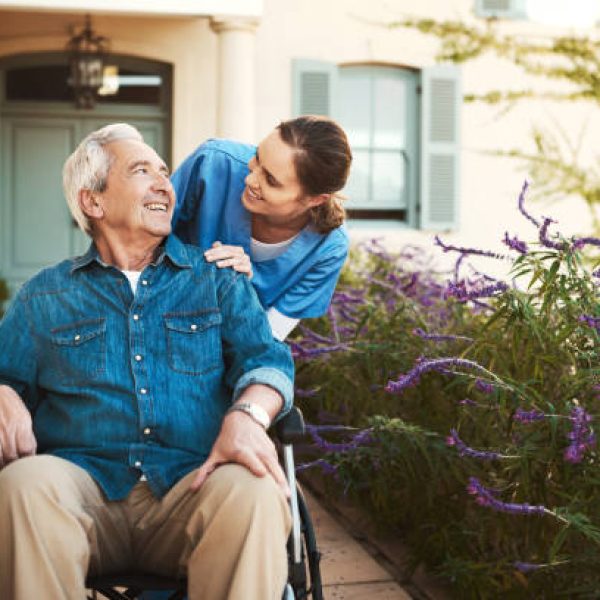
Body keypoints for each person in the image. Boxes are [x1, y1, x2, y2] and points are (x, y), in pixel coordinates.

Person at [0, 123, 295, 600]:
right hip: (82, 495)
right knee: (23, 485)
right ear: (94, 202)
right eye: (142, 171)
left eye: (164, 171)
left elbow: (268, 362)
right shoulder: (45, 295)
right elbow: (4, 373)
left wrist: (249, 415)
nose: (165, 182)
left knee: (255, 490)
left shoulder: (217, 279)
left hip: (193, 486)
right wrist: (3, 393)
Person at [171, 115, 353, 341]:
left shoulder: (329, 249)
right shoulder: (213, 163)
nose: (250, 180)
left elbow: (265, 338)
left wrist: (240, 290)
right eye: (257, 158)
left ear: (315, 199)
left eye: (271, 180)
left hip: (219, 349)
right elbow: (138, 238)